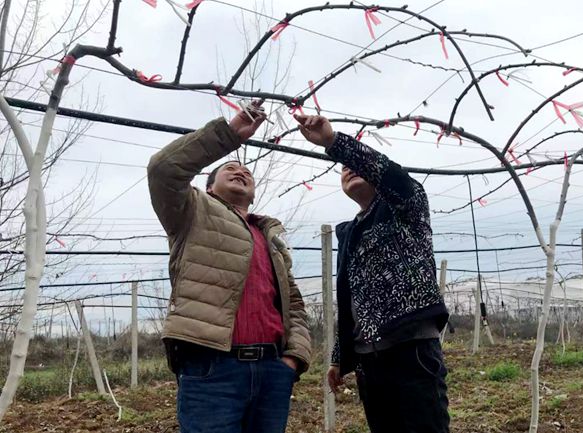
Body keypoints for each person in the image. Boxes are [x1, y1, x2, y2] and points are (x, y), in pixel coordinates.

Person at [147, 101, 311, 433]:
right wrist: (229, 135)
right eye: (229, 169)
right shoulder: (191, 211)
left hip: (272, 371)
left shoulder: (269, 236)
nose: (240, 171)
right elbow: (163, 169)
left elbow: (293, 303)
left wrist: (292, 359)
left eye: (246, 172)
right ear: (209, 187)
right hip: (212, 370)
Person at [295, 114, 450, 433]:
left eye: (354, 165)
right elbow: (351, 300)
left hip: (411, 352)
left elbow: (389, 174)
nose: (347, 169)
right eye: (343, 169)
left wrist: (333, 143)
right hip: (369, 361)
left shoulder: (406, 208)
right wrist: (340, 357)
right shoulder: (351, 233)